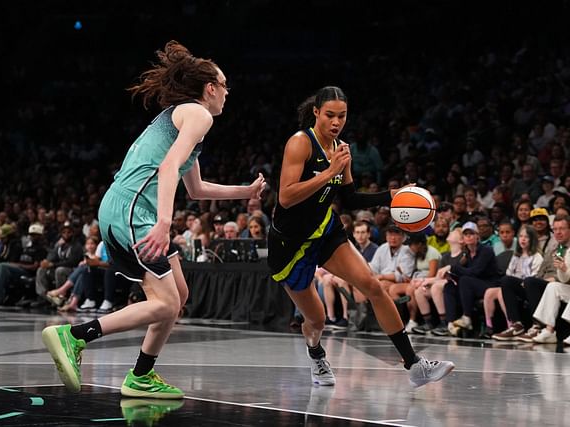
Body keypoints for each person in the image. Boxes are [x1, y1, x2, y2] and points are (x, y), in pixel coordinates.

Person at [41, 41, 265, 399]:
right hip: (133, 211)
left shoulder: (187, 120)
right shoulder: (198, 114)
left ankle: (141, 376)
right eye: (225, 86)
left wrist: (246, 191)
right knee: (165, 303)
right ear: (210, 88)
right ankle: (74, 335)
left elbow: (196, 189)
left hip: (125, 208)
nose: (227, 93)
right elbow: (167, 168)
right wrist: (163, 223)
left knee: (180, 294)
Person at [267, 86, 453, 389]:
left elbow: (350, 199)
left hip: (326, 231)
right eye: (329, 115)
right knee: (317, 320)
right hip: (290, 246)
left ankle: (415, 365)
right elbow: (286, 197)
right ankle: (316, 353)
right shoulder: (300, 143)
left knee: (372, 286)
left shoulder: (342, 149)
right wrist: (329, 172)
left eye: (342, 116)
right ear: (316, 113)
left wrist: (392, 195)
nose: (336, 122)